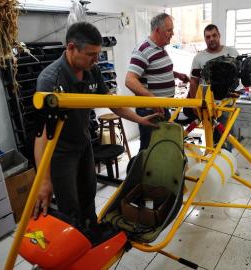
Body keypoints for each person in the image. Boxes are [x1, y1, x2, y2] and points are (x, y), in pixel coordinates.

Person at [33, 22, 159, 228]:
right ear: (71, 48)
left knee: (88, 194)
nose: (97, 59)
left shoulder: (92, 71)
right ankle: (74, 245)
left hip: (84, 145)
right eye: (91, 54)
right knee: (69, 205)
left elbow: (113, 103)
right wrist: (43, 181)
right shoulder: (49, 80)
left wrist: (140, 120)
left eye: (98, 53)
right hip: (60, 154)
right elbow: (41, 135)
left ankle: (90, 233)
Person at [125, 13, 189, 151]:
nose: (172, 33)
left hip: (162, 108)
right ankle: (143, 172)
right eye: (169, 30)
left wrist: (176, 75)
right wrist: (152, 99)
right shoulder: (143, 50)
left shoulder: (160, 48)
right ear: (157, 30)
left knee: (162, 148)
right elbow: (130, 80)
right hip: (150, 111)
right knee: (150, 150)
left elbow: (156, 71)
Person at [189, 24, 239, 150]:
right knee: (212, 138)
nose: (211, 39)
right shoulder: (199, 58)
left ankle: (226, 165)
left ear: (219, 35)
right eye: (208, 37)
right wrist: (195, 102)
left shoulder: (232, 52)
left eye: (214, 35)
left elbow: (239, 75)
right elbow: (194, 81)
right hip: (208, 105)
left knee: (226, 136)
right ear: (205, 39)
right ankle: (215, 164)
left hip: (227, 103)